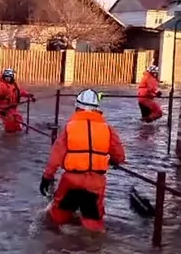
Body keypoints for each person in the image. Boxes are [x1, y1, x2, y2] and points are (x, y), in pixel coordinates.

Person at [39, 89, 126, 233]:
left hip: (71, 181)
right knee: (93, 224)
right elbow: (120, 156)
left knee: (57, 218)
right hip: (95, 183)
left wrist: (47, 177)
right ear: (97, 109)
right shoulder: (108, 129)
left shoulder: (69, 127)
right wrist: (113, 160)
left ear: (77, 107)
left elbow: (56, 156)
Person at [0, 68, 35, 132]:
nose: (7, 78)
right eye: (6, 77)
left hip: (12, 108)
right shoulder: (1, 86)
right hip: (4, 109)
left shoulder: (15, 85)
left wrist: (29, 95)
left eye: (9, 77)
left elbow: (21, 92)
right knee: (10, 123)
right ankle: (9, 138)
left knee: (18, 119)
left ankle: (16, 136)